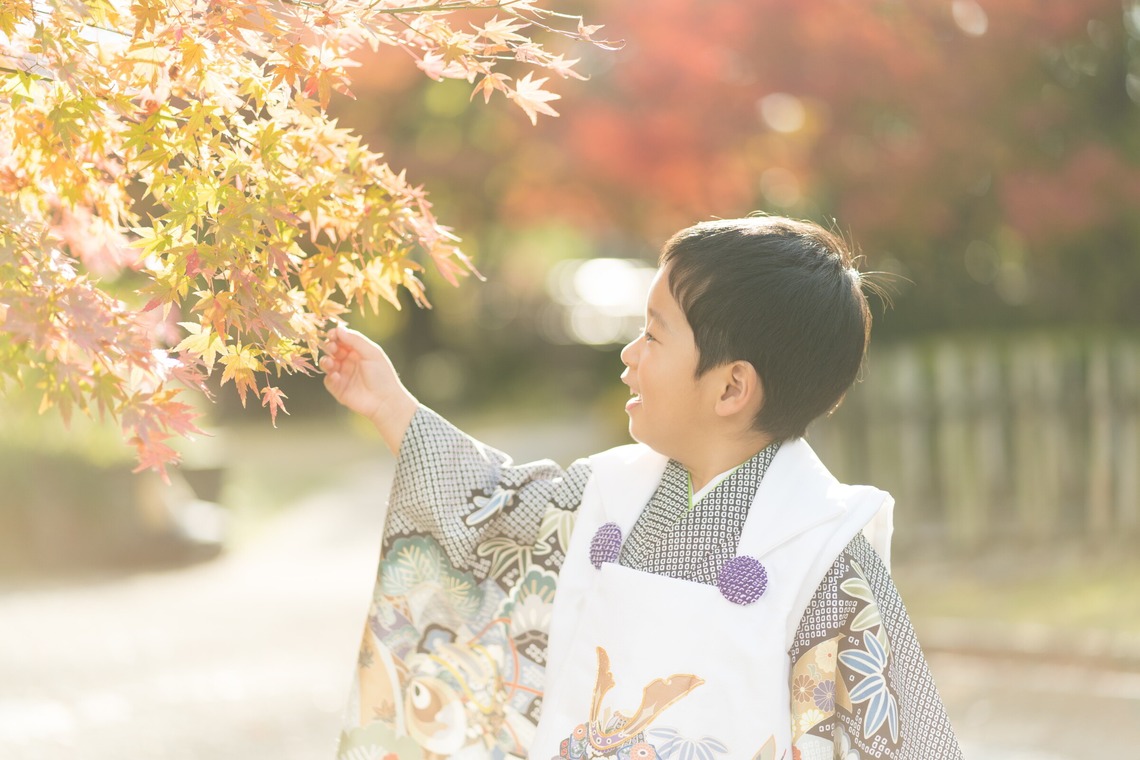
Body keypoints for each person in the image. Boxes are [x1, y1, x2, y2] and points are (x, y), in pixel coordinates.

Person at [321, 216, 963, 760]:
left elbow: (898, 739)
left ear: (731, 388)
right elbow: (491, 509)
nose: (628, 353)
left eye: (653, 334)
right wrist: (389, 405)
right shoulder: (606, 494)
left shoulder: (821, 550)